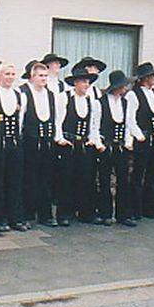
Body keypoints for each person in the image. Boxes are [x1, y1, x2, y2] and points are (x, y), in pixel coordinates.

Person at [55, 67, 101, 226]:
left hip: (85, 144)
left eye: (88, 82)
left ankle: (85, 213)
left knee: (86, 179)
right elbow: (57, 120)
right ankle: (64, 214)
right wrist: (59, 138)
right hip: (68, 144)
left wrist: (93, 139)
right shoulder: (64, 98)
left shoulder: (91, 101)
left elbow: (94, 124)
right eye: (83, 81)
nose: (86, 85)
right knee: (66, 178)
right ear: (75, 83)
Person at [0, 62, 28, 232]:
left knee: (15, 181)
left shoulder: (20, 95)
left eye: (12, 74)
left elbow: (21, 120)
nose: (10, 77)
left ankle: (15, 218)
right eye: (6, 74)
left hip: (15, 143)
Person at [21, 63, 62, 227]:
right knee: (29, 178)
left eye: (45, 76)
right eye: (40, 76)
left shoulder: (51, 95)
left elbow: (56, 119)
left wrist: (56, 137)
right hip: (30, 142)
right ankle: (28, 215)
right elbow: (20, 120)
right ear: (32, 77)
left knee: (46, 178)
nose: (44, 79)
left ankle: (46, 215)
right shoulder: (24, 93)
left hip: (47, 142)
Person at [127, 62, 154, 221]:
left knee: (152, 174)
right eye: (152, 75)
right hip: (143, 140)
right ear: (144, 78)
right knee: (138, 174)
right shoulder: (133, 95)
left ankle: (151, 208)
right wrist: (138, 135)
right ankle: (135, 209)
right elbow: (130, 119)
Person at [97, 70, 137, 227]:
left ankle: (123, 215)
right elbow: (95, 126)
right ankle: (105, 213)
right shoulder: (100, 103)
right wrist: (100, 145)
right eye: (123, 86)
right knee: (104, 180)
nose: (125, 88)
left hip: (121, 147)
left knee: (123, 180)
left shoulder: (125, 103)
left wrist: (129, 141)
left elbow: (128, 124)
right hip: (106, 147)